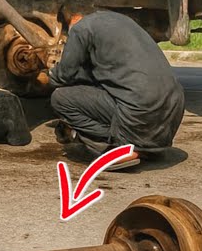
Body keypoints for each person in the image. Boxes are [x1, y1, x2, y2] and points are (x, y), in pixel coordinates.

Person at [47, 9, 185, 168]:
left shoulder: (81, 28)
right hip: (173, 110)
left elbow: (64, 75)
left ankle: (122, 146)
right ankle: (148, 147)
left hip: (141, 108)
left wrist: (48, 74)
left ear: (69, 20)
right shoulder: (122, 21)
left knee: (60, 98)